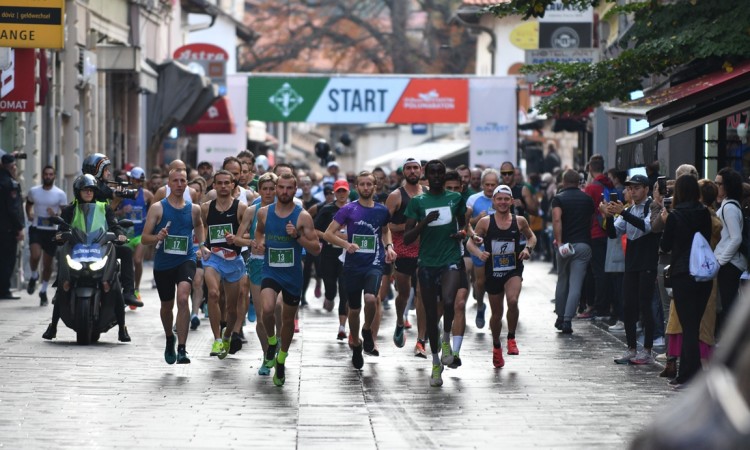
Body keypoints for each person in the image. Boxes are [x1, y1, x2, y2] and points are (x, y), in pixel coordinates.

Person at [42, 174, 131, 342]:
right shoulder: (70, 209)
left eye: (91, 190)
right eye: (85, 190)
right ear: (78, 192)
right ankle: (52, 326)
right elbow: (62, 227)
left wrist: (119, 235)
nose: (89, 193)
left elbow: (114, 225)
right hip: (77, 251)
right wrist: (60, 235)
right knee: (62, 286)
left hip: (100, 249)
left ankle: (122, 328)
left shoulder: (104, 208)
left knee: (115, 286)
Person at [324, 171, 396, 369]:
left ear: (374, 187)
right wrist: (346, 245)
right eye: (362, 184)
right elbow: (328, 234)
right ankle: (356, 343)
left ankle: (367, 330)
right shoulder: (348, 209)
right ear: (357, 187)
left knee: (371, 298)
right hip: (353, 265)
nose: (365, 188)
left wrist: (389, 247)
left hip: (374, 262)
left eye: (369, 184)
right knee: (354, 309)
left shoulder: (381, 211)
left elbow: (385, 230)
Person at [404, 160, 467, 387]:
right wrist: (424, 222)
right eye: (434, 173)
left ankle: (447, 340)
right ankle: (435, 363)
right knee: (431, 316)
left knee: (450, 301)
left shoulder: (456, 199)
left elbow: (463, 227)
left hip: (450, 259)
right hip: (427, 263)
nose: (438, 176)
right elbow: (408, 237)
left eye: (441, 172)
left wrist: (462, 234)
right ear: (426, 176)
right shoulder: (418, 202)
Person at [254, 173, 320, 386]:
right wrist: (259, 243)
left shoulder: (303, 217)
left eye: (288, 188)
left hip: (292, 275)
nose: (284, 192)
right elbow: (259, 232)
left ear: (295, 190)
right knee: (267, 308)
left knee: (288, 320)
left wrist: (297, 237)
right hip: (270, 271)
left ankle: (281, 358)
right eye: (280, 187)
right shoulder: (264, 213)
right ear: (275, 189)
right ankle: (272, 343)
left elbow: (316, 248)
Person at [141, 168, 205, 364]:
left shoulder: (194, 209)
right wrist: (157, 237)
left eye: (182, 181)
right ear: (168, 184)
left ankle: (182, 349)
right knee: (166, 306)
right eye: (175, 181)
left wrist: (201, 245)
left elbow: (200, 225)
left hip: (186, 259)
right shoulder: (158, 208)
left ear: (187, 184)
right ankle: (170, 337)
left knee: (184, 297)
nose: (179, 184)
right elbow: (144, 238)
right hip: (164, 263)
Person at [468, 184, 536, 367]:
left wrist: (528, 249)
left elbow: (532, 237)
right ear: (494, 201)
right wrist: (478, 253)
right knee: (496, 314)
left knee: (512, 301)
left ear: (511, 201)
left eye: (506, 199)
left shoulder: (519, 221)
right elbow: (469, 243)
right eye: (499, 199)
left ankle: (511, 338)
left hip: (514, 267)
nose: (503, 202)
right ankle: (496, 346)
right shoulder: (485, 222)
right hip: (493, 270)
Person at [659, 175, 713, 388]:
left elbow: (665, 245)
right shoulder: (704, 213)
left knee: (688, 326)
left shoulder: (674, 216)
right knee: (694, 324)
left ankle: (687, 376)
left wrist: (666, 223)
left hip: (683, 273)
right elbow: (706, 240)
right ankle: (693, 372)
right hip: (703, 274)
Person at [604, 174, 660, 365]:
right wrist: (609, 217)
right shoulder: (629, 208)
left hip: (647, 262)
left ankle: (647, 349)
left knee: (645, 305)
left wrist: (623, 213)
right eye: (630, 188)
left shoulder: (650, 206)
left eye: (636, 188)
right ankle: (631, 348)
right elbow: (613, 234)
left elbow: (647, 227)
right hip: (632, 263)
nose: (632, 191)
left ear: (646, 188)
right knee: (628, 305)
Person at [81, 153, 143, 308]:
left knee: (126, 252)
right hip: (81, 239)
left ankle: (128, 292)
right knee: (63, 253)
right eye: (106, 169)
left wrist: (118, 196)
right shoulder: (90, 187)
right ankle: (60, 291)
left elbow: (108, 214)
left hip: (101, 238)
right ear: (97, 169)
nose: (108, 173)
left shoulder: (103, 189)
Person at [200, 169, 247, 358]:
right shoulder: (206, 208)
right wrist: (202, 244)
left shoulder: (241, 208)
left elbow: (248, 234)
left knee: (231, 308)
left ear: (233, 186)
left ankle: (228, 335)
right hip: (213, 258)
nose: (223, 186)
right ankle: (217, 339)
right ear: (214, 186)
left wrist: (236, 238)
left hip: (233, 260)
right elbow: (200, 227)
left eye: (227, 183)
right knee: (213, 293)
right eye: (219, 183)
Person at [235, 172, 278, 375]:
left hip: (281, 264)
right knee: (262, 316)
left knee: (278, 312)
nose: (268, 192)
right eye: (265, 189)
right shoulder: (252, 210)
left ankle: (279, 346)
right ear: (259, 190)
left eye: (272, 188)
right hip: (258, 264)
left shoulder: (289, 209)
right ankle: (267, 355)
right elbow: (237, 238)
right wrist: (251, 242)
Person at [386, 158, 426, 356]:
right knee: (403, 294)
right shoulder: (395, 196)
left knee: (421, 293)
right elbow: (385, 225)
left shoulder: (427, 194)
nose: (412, 171)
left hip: (425, 251)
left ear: (421, 170)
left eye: (415, 168)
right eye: (408, 168)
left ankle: (421, 341)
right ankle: (400, 320)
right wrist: (409, 227)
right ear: (403, 172)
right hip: (402, 250)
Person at [551, 169, 595, 334]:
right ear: (578, 182)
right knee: (576, 284)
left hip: (565, 245)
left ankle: (560, 316)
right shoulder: (587, 199)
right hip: (583, 244)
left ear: (563, 181)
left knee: (562, 280)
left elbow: (557, 219)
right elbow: (591, 221)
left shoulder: (558, 199)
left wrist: (560, 242)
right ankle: (568, 320)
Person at [25, 165, 68, 306]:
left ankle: (43, 291)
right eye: (46, 174)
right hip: (37, 228)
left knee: (47, 263)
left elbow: (65, 214)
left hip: (51, 230)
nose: (48, 176)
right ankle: (33, 275)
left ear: (54, 176)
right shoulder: (34, 191)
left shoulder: (60, 194)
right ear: (43, 175)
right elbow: (29, 203)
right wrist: (29, 214)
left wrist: (55, 215)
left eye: (51, 174)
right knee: (35, 255)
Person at [314, 179, 350, 340]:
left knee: (345, 289)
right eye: (339, 191)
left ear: (348, 192)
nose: (341, 194)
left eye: (344, 191)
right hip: (328, 254)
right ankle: (329, 296)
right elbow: (315, 229)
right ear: (334, 193)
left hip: (347, 255)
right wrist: (331, 236)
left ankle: (342, 327)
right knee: (331, 287)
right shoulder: (327, 209)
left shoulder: (354, 208)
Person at [466, 168, 500, 330]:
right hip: (479, 247)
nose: (490, 188)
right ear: (482, 184)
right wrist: (476, 221)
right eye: (487, 184)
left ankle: (497, 314)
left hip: (499, 248)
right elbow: (466, 223)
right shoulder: (474, 199)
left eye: (493, 184)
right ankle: (480, 306)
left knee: (498, 283)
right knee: (480, 283)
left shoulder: (502, 199)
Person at [714, 167, 746, 334]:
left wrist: (720, 261)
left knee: (728, 306)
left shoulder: (729, 208)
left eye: (719, 184)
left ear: (727, 186)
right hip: (728, 263)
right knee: (725, 306)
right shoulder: (728, 205)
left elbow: (736, 238)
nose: (716, 186)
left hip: (730, 264)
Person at [116, 166, 154, 306]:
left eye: (138, 180)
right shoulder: (121, 194)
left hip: (140, 234)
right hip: (125, 234)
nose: (135, 182)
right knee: (127, 263)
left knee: (137, 261)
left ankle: (136, 289)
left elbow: (154, 212)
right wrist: (121, 212)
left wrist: (150, 223)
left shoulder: (147, 195)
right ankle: (127, 287)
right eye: (133, 179)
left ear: (142, 181)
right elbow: (111, 212)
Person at [0, 154, 24, 299]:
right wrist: (19, 227)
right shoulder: (10, 184)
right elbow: (13, 209)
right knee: (8, 260)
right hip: (8, 230)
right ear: (13, 167)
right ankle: (4, 290)